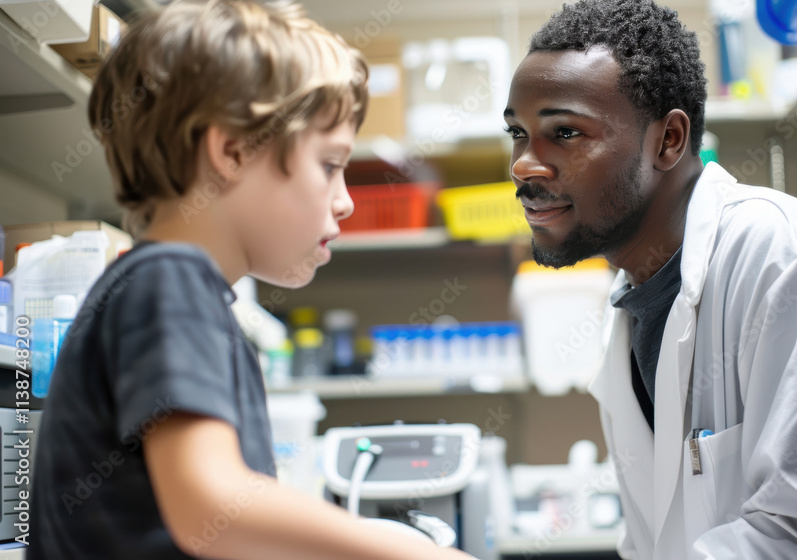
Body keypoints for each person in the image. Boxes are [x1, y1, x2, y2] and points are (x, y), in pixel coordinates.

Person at [28, 2, 474, 559]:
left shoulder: (172, 290)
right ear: (232, 151)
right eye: (330, 165)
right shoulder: (169, 282)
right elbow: (213, 505)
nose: (347, 201)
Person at [503, 0, 797, 558]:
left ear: (668, 140)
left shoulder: (786, 263)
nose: (523, 164)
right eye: (518, 133)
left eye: (564, 132)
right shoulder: (634, 308)